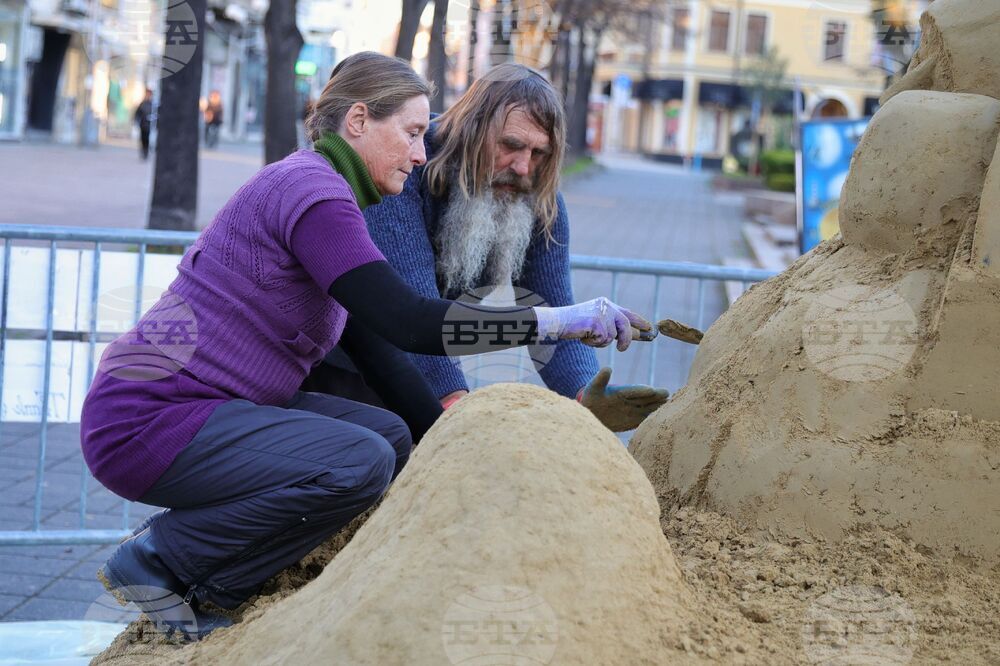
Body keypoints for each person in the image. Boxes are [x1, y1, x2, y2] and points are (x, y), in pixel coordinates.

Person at [81, 52, 653, 641]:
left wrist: (449, 438)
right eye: (409, 133)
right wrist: (556, 322)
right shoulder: (315, 194)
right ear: (357, 121)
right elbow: (409, 322)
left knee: (390, 439)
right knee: (359, 462)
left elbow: (378, 344)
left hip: (207, 407)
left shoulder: (337, 198)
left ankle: (214, 581)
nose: (419, 151)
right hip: (146, 419)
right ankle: (162, 560)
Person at [310, 64, 669, 432]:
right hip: (343, 367)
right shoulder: (404, 165)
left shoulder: (536, 193)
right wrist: (454, 402)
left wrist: (585, 396)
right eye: (511, 145)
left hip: (424, 364)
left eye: (540, 152)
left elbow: (555, 308)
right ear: (472, 129)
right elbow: (412, 312)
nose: (523, 165)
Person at [134, 88, 153, 160]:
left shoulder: (153, 104)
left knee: (147, 139)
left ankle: (146, 153)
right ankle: (143, 152)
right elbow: (137, 113)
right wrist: (136, 121)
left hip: (149, 125)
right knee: (143, 139)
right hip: (143, 124)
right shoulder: (142, 103)